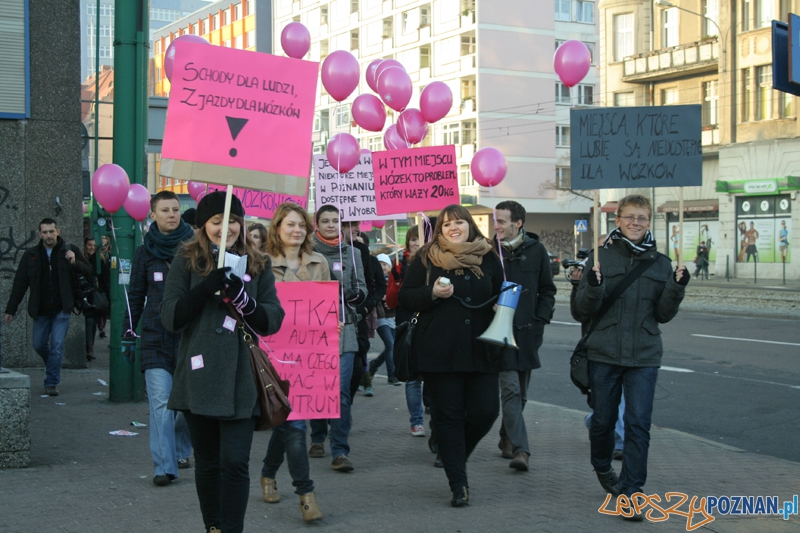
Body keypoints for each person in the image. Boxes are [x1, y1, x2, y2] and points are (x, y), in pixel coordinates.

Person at [160, 191, 284, 533]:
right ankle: (213, 526)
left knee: (235, 462)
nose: (225, 228)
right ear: (203, 226)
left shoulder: (258, 263)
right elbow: (170, 316)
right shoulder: (186, 260)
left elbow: (272, 319)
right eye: (217, 221)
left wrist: (244, 300)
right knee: (209, 463)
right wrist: (204, 288)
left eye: (232, 221)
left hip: (241, 378)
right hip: (198, 376)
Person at [573, 194, 688, 521]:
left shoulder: (662, 263)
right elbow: (582, 310)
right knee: (604, 421)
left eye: (642, 218)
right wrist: (592, 285)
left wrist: (677, 288)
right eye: (630, 217)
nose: (636, 223)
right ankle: (601, 464)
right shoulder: (599, 258)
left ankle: (632, 492)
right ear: (618, 220)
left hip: (644, 355)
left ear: (649, 222)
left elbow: (663, 315)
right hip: (604, 353)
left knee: (638, 424)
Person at [398, 205, 505, 507]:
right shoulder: (427, 257)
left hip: (482, 349)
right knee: (448, 416)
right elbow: (405, 298)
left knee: (486, 412)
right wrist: (432, 293)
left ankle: (453, 454)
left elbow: (504, 291)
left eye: (459, 222)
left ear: (470, 225)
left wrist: (504, 306)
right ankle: (458, 483)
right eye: (446, 225)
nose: (453, 228)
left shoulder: (488, 256)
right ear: (440, 230)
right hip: (439, 352)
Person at [259, 202, 329, 522]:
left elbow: (325, 306)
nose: (297, 230)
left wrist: (333, 323)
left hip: (309, 357)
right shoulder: (261, 265)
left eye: (301, 225)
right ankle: (305, 493)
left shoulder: (319, 263)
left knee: (293, 422)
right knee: (292, 423)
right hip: (275, 355)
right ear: (277, 228)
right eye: (290, 225)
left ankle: (269, 473)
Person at [124, 191, 195, 487]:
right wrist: (128, 333)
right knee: (161, 404)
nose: (171, 214)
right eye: (165, 210)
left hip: (190, 336)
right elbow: (136, 295)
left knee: (189, 404)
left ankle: (181, 446)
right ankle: (164, 467)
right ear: (152, 214)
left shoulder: (195, 249)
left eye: (176, 209)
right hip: (155, 338)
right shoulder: (144, 252)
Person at [492, 201, 557, 472]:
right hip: (499, 331)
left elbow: (547, 290)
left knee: (522, 394)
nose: (496, 226)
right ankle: (522, 449)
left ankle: (506, 436)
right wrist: (490, 305)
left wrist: (540, 320)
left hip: (528, 333)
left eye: (502, 221)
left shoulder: (536, 250)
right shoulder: (488, 251)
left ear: (518, 223)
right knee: (511, 391)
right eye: (495, 221)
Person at [308, 205, 367, 472]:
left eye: (335, 221)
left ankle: (340, 451)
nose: (331, 225)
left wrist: (353, 296)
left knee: (341, 393)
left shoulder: (353, 253)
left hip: (345, 331)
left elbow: (363, 288)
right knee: (318, 389)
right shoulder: (307, 252)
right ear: (316, 223)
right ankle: (318, 437)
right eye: (326, 220)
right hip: (314, 331)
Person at [4, 218, 92, 396]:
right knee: (38, 344)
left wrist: (75, 263)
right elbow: (20, 285)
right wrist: (10, 310)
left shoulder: (70, 250)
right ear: (40, 234)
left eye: (51, 231)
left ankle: (51, 382)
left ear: (57, 231)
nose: (49, 235)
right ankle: (52, 363)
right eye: (45, 232)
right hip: (40, 309)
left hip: (62, 308)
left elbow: (90, 271)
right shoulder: (31, 255)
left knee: (57, 346)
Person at [386, 226, 428, 439]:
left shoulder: (436, 263)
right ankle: (417, 421)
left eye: (420, 239)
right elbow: (392, 302)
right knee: (413, 378)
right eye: (413, 239)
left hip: (431, 326)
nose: (416, 243)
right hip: (407, 327)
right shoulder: (399, 266)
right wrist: (398, 281)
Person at [369, 254, 401, 392]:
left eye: (385, 264)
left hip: (393, 317)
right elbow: (373, 294)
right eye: (380, 264)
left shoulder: (394, 280)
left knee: (391, 347)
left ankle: (374, 365)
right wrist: (382, 298)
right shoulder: (374, 280)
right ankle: (391, 376)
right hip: (381, 317)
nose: (382, 267)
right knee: (390, 344)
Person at [83, 236, 99, 362]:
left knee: (93, 323)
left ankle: (90, 347)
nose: (92, 248)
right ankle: (88, 349)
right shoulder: (83, 260)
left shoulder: (99, 259)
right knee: (89, 322)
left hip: (95, 296)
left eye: (94, 245)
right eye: (89, 245)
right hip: (86, 295)